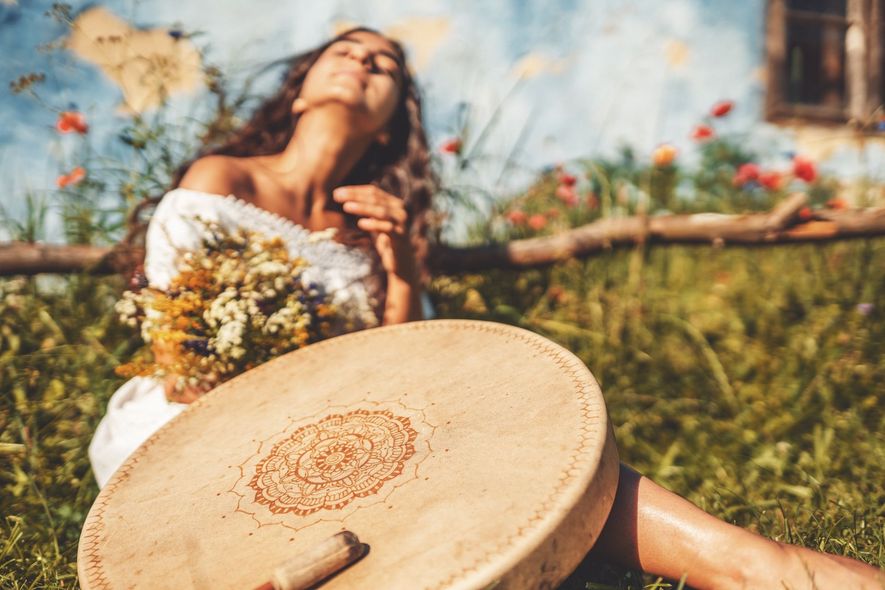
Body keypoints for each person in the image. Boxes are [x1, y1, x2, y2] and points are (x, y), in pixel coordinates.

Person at [88, 27, 883, 590]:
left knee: (495, 438)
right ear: (299, 86)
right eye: (345, 51)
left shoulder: (377, 223)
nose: (362, 64)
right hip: (201, 426)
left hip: (351, 425)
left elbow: (406, 367)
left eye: (384, 64)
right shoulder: (223, 178)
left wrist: (398, 265)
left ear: (394, 111)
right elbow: (183, 361)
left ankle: (752, 565)